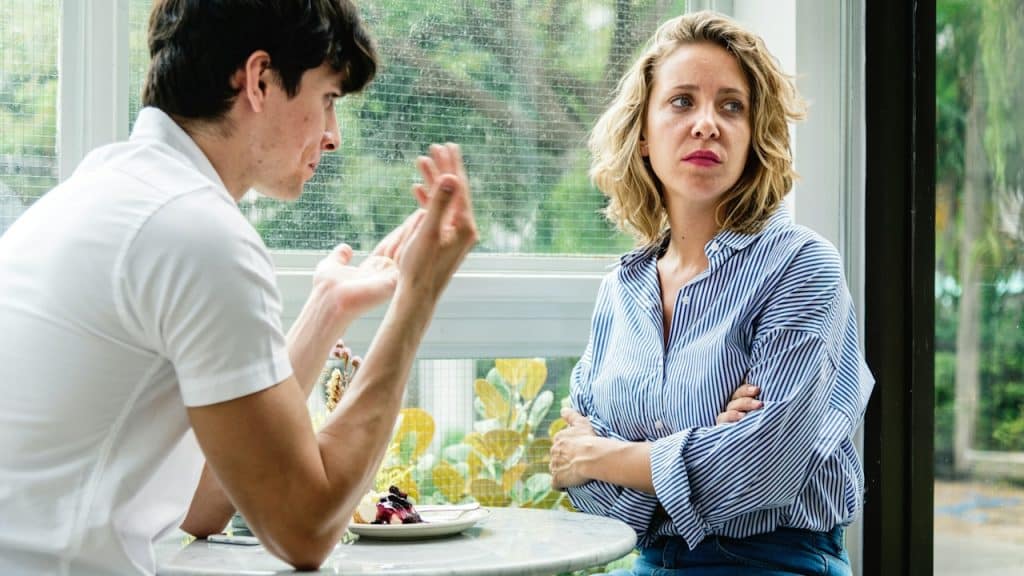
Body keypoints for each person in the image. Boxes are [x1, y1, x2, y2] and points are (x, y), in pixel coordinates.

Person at [0, 1, 477, 574]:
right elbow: (304, 529)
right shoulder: (195, 230)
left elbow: (201, 502)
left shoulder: (108, 189)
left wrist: (327, 311)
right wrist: (416, 299)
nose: (333, 137)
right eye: (327, 99)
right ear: (259, 80)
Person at [548, 11, 874, 576]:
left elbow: (766, 466)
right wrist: (706, 450)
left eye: (731, 105)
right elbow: (584, 489)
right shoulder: (619, 292)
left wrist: (612, 455)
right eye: (681, 102)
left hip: (777, 565)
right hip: (646, 562)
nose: (707, 124)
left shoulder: (800, 264)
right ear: (643, 136)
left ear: (753, 136)